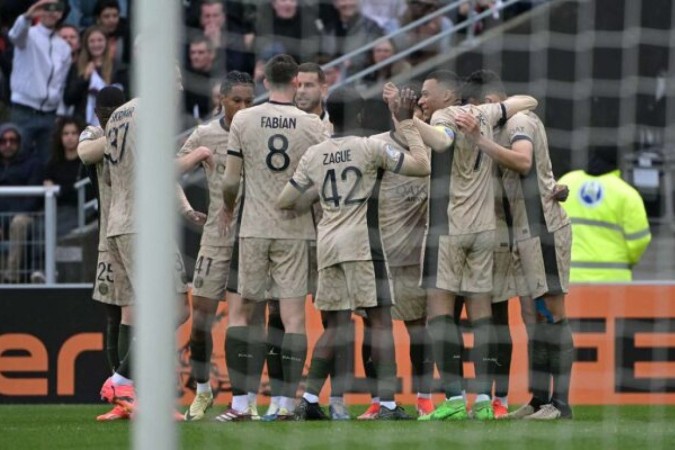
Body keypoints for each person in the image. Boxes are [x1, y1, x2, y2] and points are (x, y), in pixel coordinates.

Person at [386, 76, 537, 421]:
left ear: (449, 96)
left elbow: (441, 142)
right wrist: (489, 116)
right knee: (481, 313)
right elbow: (528, 100)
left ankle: (454, 398)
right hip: (484, 231)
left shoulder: (445, 117)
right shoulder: (485, 112)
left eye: (427, 94)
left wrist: (408, 120)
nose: (422, 99)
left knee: (439, 314)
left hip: (449, 230)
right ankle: (483, 400)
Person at [280, 86, 429, 421]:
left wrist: (321, 196)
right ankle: (389, 406)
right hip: (363, 243)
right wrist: (407, 124)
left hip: (328, 241)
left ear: (329, 115)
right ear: (361, 115)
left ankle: (307, 401)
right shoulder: (370, 147)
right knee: (379, 324)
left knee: (334, 326)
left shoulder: (315, 154)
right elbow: (421, 166)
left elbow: (285, 200)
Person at [456, 70, 574, 420]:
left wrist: (480, 139)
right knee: (532, 318)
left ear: (492, 103)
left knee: (553, 316)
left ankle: (561, 404)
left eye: (476, 110)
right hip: (520, 237)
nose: (474, 118)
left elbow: (523, 161)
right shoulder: (496, 130)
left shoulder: (519, 120)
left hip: (544, 231)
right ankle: (539, 400)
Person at [219, 54, 327, 421]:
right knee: (293, 318)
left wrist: (229, 207)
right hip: (295, 230)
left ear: (264, 81)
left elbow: (231, 180)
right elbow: (322, 183)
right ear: (297, 82)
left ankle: (239, 404)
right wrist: (302, 201)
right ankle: (284, 405)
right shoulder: (313, 124)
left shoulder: (244, 119)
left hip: (253, 227)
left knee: (244, 314)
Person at [98, 69, 211, 417]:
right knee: (176, 309)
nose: (178, 86)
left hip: (117, 223)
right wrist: (200, 153)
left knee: (137, 311)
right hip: (146, 226)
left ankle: (140, 401)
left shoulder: (120, 114)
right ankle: (122, 380)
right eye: (174, 78)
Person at [179, 71, 255, 422]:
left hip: (254, 237)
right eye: (236, 100)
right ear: (221, 100)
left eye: (248, 101)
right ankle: (203, 392)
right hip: (215, 237)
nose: (242, 107)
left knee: (247, 325)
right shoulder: (205, 134)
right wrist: (196, 158)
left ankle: (247, 399)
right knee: (200, 323)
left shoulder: (260, 129)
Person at [357, 86, 434, 420]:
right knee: (372, 328)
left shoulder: (435, 146)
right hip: (380, 251)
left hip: (417, 255)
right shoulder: (375, 145)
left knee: (419, 328)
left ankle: (424, 397)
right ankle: (378, 400)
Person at [76, 85, 127, 421]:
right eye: (103, 112)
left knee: (133, 312)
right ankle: (120, 394)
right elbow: (85, 154)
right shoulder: (93, 133)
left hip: (133, 231)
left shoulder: (132, 130)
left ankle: (130, 386)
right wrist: (117, 130)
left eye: (113, 111)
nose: (106, 117)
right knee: (114, 312)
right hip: (107, 237)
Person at [558, 145, 651, 282]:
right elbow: (639, 240)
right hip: (613, 278)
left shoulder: (566, 182)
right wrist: (628, 261)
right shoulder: (626, 194)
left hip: (569, 276)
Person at [8, 0, 71, 161]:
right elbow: (14, 35)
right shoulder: (28, 34)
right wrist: (28, 15)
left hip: (50, 115)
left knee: (48, 162)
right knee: (17, 159)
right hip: (23, 111)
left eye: (57, 9)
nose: (52, 12)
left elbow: (61, 82)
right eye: (47, 8)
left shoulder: (64, 47)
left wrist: (60, 113)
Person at [0, 123, 44, 284]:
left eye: (12, 140)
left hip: (25, 216)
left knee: (18, 223)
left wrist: (5, 222)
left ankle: (11, 278)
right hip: (2, 218)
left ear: (20, 142)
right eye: (3, 141)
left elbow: (32, 200)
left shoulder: (33, 164)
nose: (8, 145)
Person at [63, 25, 127, 125]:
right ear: (86, 44)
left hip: (111, 124)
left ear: (106, 42)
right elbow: (68, 99)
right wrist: (84, 78)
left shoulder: (118, 68)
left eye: (100, 40)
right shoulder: (76, 67)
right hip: (83, 125)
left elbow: (125, 98)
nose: (96, 44)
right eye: (92, 41)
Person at [43, 116, 85, 237]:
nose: (69, 137)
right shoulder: (53, 163)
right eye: (65, 133)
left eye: (73, 133)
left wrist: (58, 190)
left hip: (79, 213)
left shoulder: (86, 163)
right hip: (57, 211)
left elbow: (84, 194)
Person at [320, 0, 384, 76]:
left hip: (363, 79)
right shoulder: (329, 29)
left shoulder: (371, 27)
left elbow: (379, 55)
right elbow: (324, 56)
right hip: (333, 80)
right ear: (335, 4)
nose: (348, 3)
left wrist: (354, 62)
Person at [183, 35, 221, 124]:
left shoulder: (221, 77)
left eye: (200, 52)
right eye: (192, 53)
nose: (195, 57)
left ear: (212, 54)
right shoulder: (187, 81)